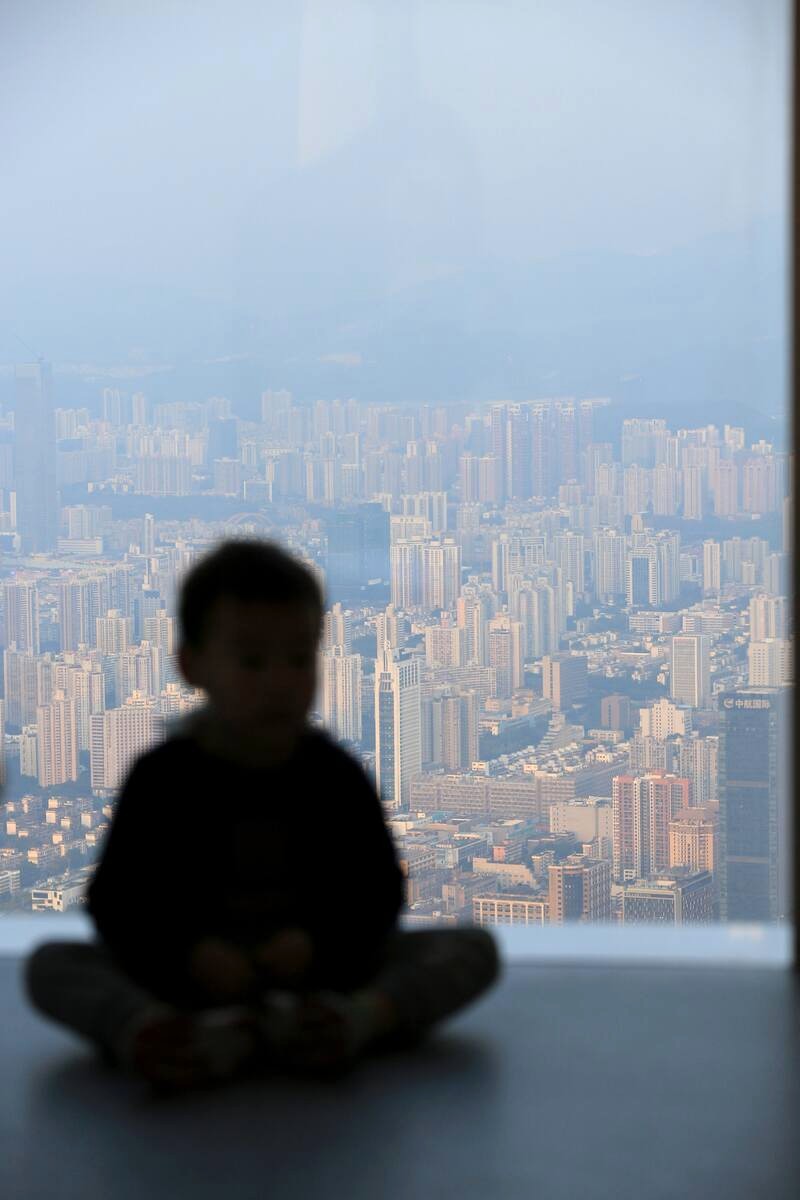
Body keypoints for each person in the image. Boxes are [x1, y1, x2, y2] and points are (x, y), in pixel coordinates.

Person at [25, 539, 500, 1091]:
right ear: (191, 663)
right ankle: (295, 1029)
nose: (279, 680)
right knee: (52, 965)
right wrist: (191, 953)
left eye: (298, 659)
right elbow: (120, 902)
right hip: (191, 980)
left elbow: (376, 892)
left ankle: (248, 1031)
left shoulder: (334, 775)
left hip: (316, 977)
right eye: (252, 661)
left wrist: (315, 944)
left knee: (472, 948)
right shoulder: (163, 779)